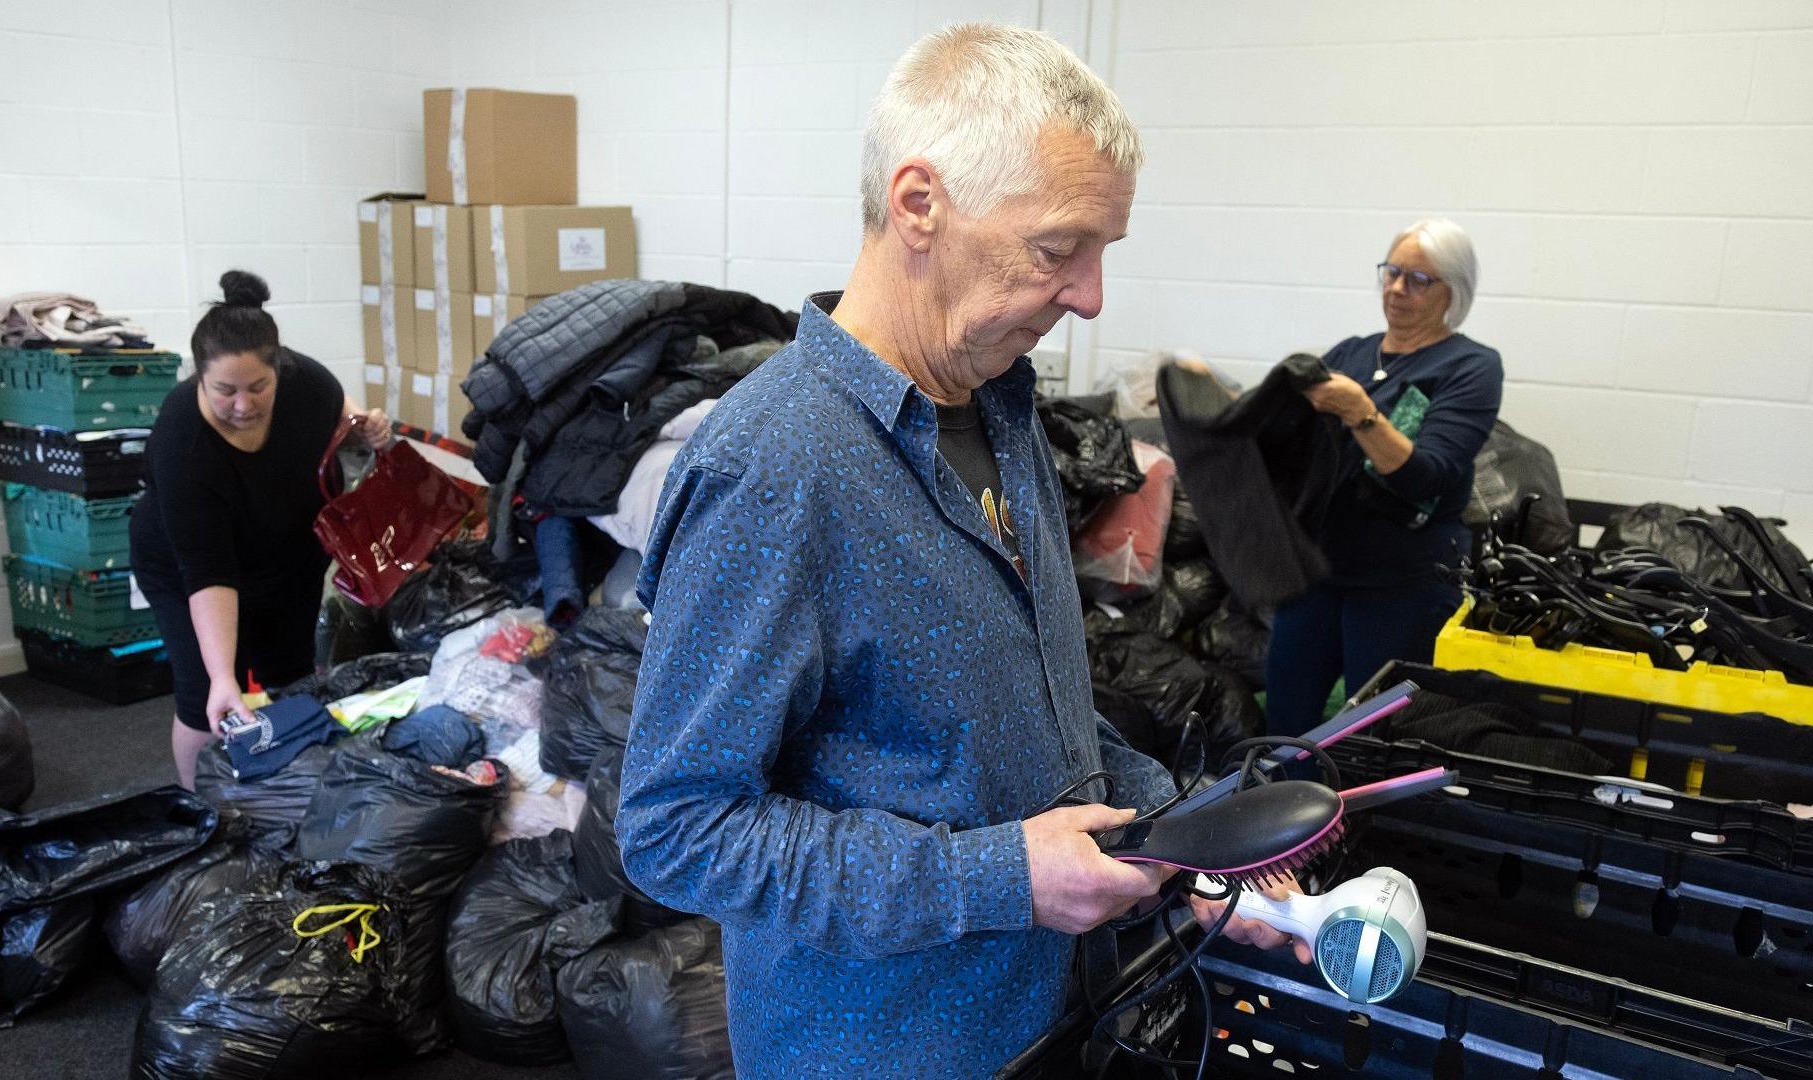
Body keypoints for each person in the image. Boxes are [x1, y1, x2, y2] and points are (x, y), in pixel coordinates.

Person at [616, 25, 1304, 1078]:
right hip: (883, 1048)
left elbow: (1029, 735)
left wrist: (1185, 839)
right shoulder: (776, 467)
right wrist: (997, 880)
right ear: (919, 204)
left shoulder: (1000, 408)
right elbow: (679, 830)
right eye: (1057, 248)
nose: (1090, 296)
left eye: (1103, 251)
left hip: (1044, 1022)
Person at [130, 270, 394, 787]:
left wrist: (369, 424)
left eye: (258, 387)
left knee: (290, 677)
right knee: (205, 691)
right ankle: (199, 811)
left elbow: (345, 418)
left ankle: (281, 796)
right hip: (187, 566)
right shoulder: (182, 443)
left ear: (280, 369)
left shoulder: (309, 383)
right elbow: (208, 573)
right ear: (199, 379)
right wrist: (225, 676)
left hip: (288, 550)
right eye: (224, 390)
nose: (243, 405)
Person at [1263, 219, 1505, 736]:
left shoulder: (1471, 368)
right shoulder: (1352, 352)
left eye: (1418, 280)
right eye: (1392, 273)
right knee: (1285, 725)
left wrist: (1361, 413)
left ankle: (1358, 819)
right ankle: (1281, 815)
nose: (1397, 289)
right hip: (1316, 575)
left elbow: (1429, 475)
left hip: (1402, 584)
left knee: (1374, 736)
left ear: (1453, 293)